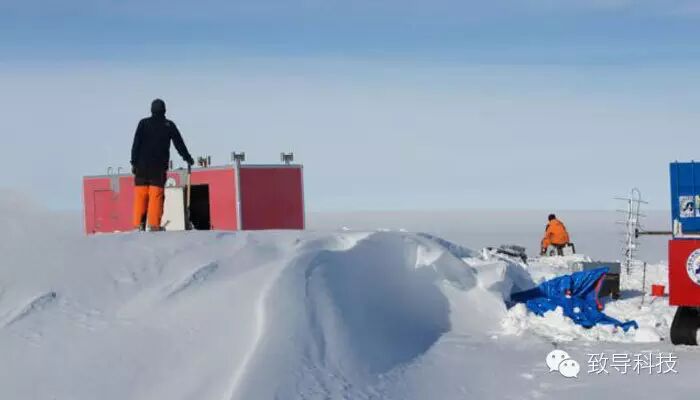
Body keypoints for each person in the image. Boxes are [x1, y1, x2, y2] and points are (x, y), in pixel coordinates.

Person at [130, 99, 194, 231]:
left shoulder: (143, 123)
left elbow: (136, 144)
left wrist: (134, 162)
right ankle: (154, 225)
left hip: (141, 167)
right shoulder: (168, 125)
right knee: (156, 195)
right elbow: (179, 144)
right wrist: (187, 158)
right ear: (164, 110)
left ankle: (138, 224)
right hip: (157, 168)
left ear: (151, 110)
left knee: (141, 195)